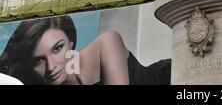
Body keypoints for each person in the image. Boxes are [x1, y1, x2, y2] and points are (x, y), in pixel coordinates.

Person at [0, 15, 171, 85]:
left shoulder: (106, 44)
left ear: (71, 43)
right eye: (39, 60)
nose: (51, 67)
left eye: (57, 49)